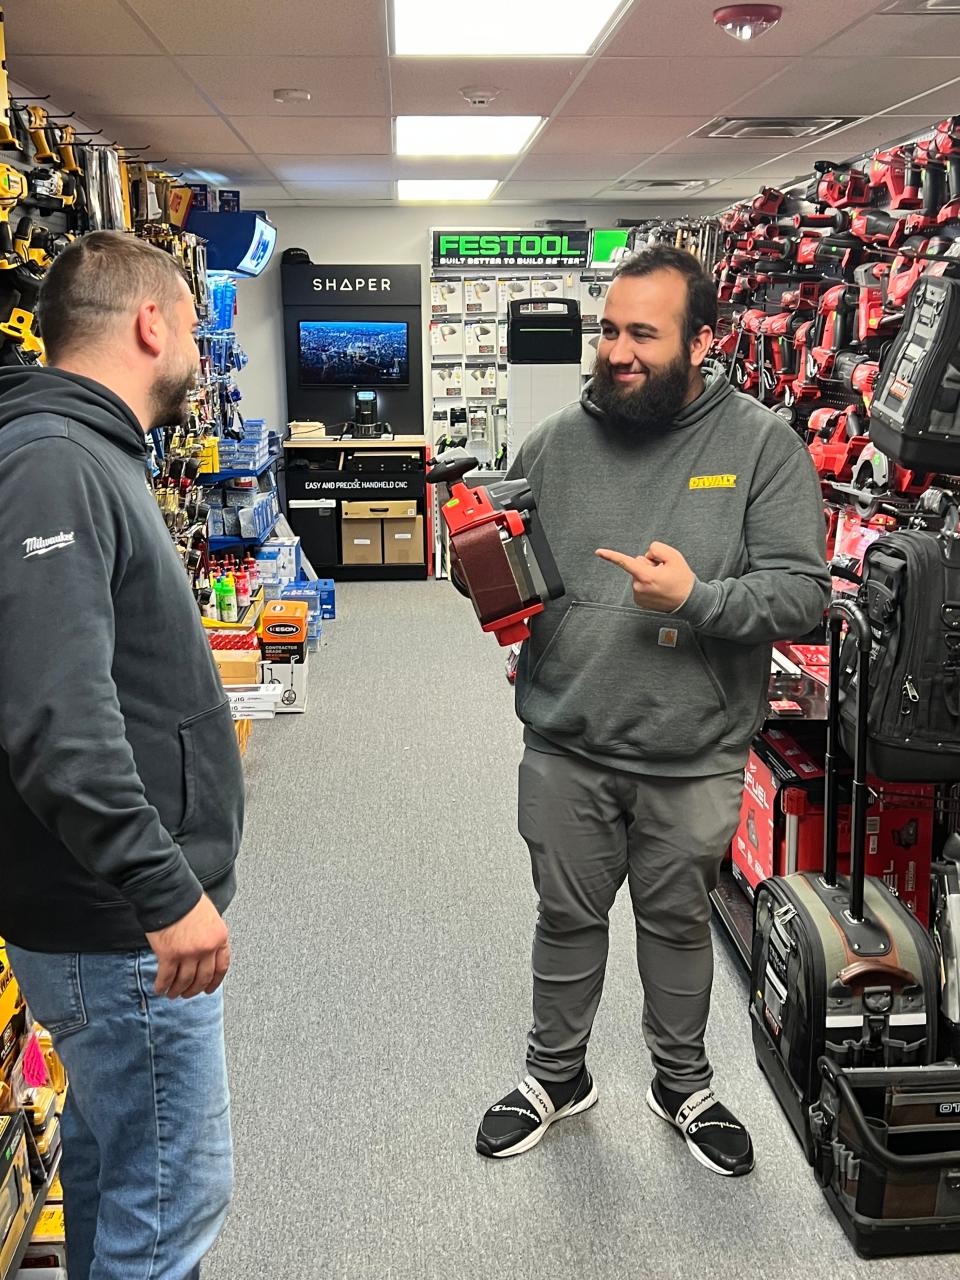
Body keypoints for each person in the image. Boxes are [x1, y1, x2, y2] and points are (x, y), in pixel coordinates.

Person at [476, 245, 830, 1177]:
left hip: (693, 751)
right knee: (565, 915)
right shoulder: (552, 442)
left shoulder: (760, 443)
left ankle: (682, 1085)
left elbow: (802, 595)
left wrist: (699, 601)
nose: (619, 352)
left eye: (643, 334)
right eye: (610, 331)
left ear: (701, 341)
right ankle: (556, 1076)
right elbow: (514, 569)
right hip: (565, 739)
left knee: (677, 927)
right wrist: (483, 561)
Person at [0, 232, 244, 1278]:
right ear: (152, 322)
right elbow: (58, 714)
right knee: (169, 1204)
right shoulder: (55, 463)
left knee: (111, 1166)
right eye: (193, 324)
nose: (197, 345)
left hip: (95, 915)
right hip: (116, 925)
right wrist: (162, 886)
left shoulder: (73, 451)